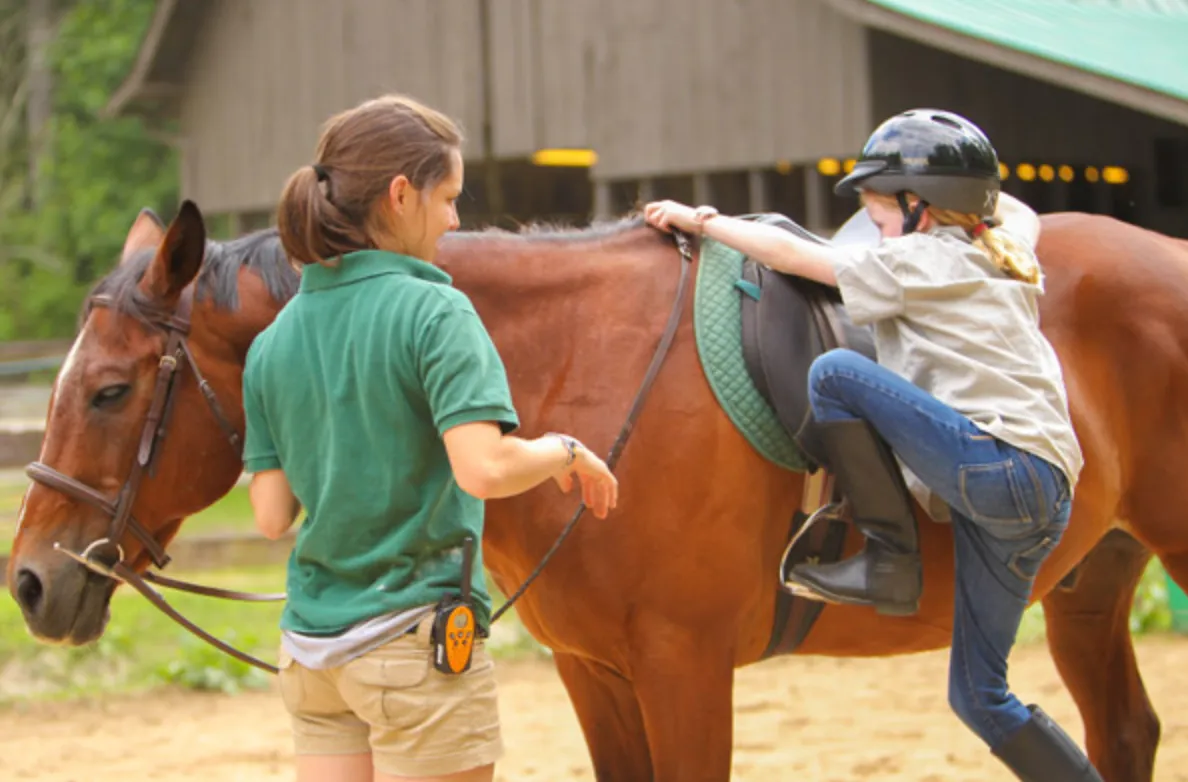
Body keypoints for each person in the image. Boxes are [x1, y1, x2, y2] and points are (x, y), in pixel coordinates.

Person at [643, 109, 1101, 781]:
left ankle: (889, 555)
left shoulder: (921, 259)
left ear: (923, 208)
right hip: (1041, 499)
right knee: (981, 699)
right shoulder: (1007, 245)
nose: (873, 228)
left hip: (996, 469)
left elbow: (804, 259)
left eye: (879, 212)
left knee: (836, 374)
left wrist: (705, 222)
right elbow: (1014, 207)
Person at [242, 93, 619, 782]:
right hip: (413, 648)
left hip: (311, 654)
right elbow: (484, 468)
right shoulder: (434, 310)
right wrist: (565, 450)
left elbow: (270, 517)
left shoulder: (271, 343)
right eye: (447, 197)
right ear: (398, 195)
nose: (453, 218)